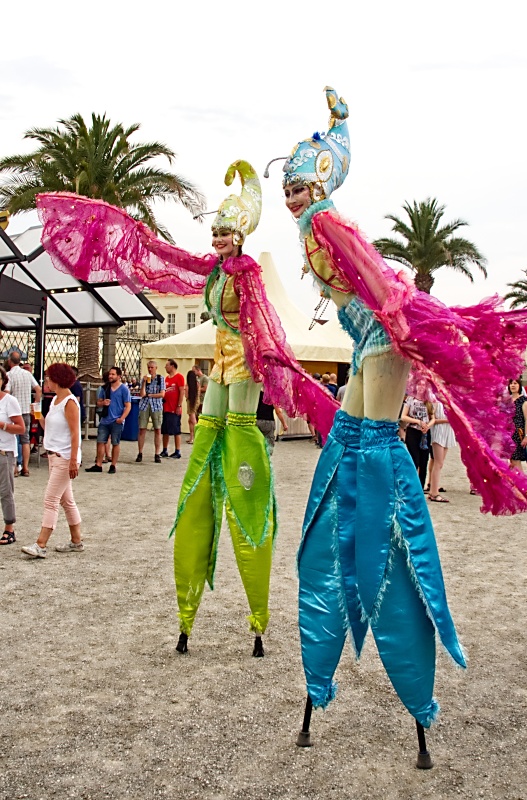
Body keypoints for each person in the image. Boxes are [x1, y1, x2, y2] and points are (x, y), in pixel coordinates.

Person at [270, 86, 527, 754]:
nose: (290, 194)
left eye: (299, 182)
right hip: (362, 344)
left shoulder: (328, 223)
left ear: (319, 182)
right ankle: (345, 563)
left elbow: (379, 285)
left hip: (383, 342)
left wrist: (411, 333)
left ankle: (385, 544)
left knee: (373, 449)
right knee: (349, 443)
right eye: (285, 184)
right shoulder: (308, 229)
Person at [37, 161, 337, 659]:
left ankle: (256, 609)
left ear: (240, 237)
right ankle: (189, 598)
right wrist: (126, 230)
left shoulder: (247, 273)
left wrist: (273, 365)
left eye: (225, 234)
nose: (218, 241)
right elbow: (168, 258)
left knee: (237, 425)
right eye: (215, 233)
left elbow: (263, 320)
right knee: (210, 426)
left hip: (243, 363)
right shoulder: (216, 270)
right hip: (219, 364)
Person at [21, 363, 83, 559]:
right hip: (54, 456)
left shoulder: (70, 402)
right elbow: (50, 427)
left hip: (64, 457)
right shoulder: (57, 400)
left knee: (51, 499)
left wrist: (74, 459)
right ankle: (76, 541)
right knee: (66, 500)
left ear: (56, 379)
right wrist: (37, 414)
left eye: (48, 377)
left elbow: (75, 434)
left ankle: (41, 544)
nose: (46, 380)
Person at [86, 366, 131, 474]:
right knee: (100, 442)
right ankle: (99, 464)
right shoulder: (105, 388)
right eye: (110, 374)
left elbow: (128, 405)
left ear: (119, 376)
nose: (110, 376)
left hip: (116, 421)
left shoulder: (124, 389)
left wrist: (122, 418)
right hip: (105, 420)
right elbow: (98, 402)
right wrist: (103, 403)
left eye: (113, 374)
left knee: (115, 443)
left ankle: (113, 465)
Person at [0, 366, 25, 545]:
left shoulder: (10, 401)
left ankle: (10, 528)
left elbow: (21, 428)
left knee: (5, 491)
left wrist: (2, 425)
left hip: (4, 451)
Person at [6, 351, 41, 477]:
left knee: (13, 439)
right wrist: (35, 405)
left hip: (14, 412)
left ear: (10, 361)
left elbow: (7, 392)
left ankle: (15, 467)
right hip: (26, 410)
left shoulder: (9, 375)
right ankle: (25, 467)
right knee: (25, 439)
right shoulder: (27, 374)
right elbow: (38, 389)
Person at [401, 395, 435, 488]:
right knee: (414, 460)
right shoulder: (410, 399)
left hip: (425, 433)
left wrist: (428, 426)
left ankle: (420, 487)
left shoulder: (428, 399)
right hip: (413, 431)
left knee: (424, 462)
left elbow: (433, 418)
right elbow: (403, 416)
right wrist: (417, 422)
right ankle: (411, 486)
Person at [427, 400, 456, 503]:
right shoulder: (434, 401)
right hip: (439, 431)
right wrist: (449, 420)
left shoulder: (449, 400)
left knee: (440, 463)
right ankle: (434, 492)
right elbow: (432, 419)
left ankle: (432, 491)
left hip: (447, 431)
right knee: (438, 463)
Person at [136, 360, 165, 463]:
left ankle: (157, 453)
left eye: (152, 367)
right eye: (149, 367)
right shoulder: (145, 379)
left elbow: (162, 394)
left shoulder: (160, 379)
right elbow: (142, 394)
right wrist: (144, 382)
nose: (150, 369)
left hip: (156, 406)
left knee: (158, 429)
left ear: (156, 368)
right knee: (142, 429)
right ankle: (140, 452)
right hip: (145, 405)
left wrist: (151, 395)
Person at [160, 359, 185, 458]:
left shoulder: (179, 377)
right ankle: (165, 450)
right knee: (165, 430)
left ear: (172, 366)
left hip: (174, 408)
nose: (165, 367)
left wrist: (179, 405)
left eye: (167, 365)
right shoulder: (166, 379)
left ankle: (177, 451)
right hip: (166, 407)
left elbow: (181, 392)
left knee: (176, 429)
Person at [508, 379, 527, 472]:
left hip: (518, 434)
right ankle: (515, 483)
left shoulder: (523, 402)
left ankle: (522, 484)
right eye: (511, 383)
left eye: (515, 383)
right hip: (507, 434)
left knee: (516, 461)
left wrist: (526, 436)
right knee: (511, 461)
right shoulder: (507, 401)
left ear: (519, 386)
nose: (513, 385)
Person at [184, 365, 207, 445]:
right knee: (190, 420)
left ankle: (195, 437)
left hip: (190, 402)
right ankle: (192, 437)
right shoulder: (197, 384)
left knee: (193, 420)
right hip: (196, 401)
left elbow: (186, 396)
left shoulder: (188, 385)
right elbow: (199, 392)